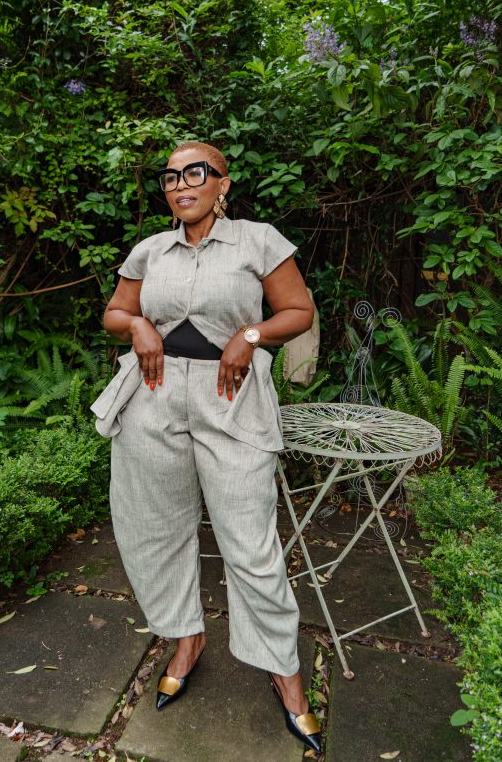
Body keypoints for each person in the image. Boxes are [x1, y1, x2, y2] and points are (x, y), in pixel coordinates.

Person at [90, 141, 319, 752]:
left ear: (223, 183)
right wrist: (138, 324)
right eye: (170, 177)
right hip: (153, 395)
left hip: (231, 397)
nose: (180, 184)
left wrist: (252, 334)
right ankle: (185, 637)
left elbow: (298, 311)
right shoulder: (150, 250)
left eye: (195, 172)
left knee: (251, 541)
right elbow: (114, 313)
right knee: (152, 528)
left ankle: (284, 671)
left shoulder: (257, 240)